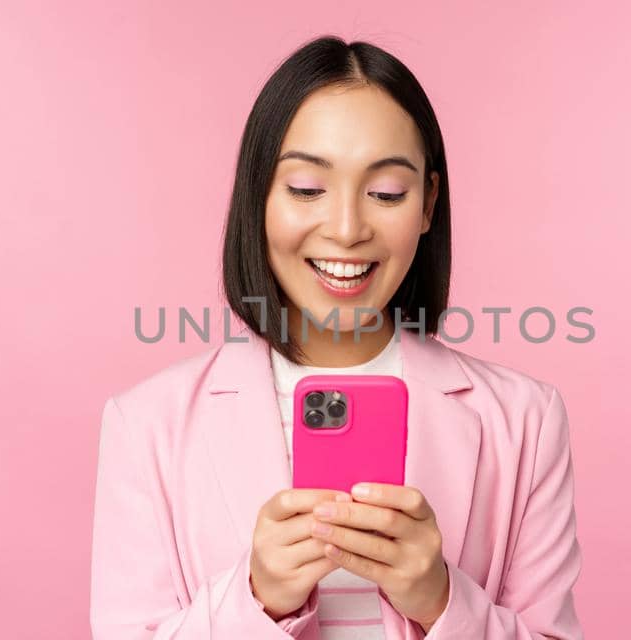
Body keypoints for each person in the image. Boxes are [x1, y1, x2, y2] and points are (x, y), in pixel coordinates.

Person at [90, 35, 584, 639]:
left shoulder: (526, 420)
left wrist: (442, 601)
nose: (347, 229)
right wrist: (255, 601)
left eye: (386, 194)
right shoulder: (147, 425)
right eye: (306, 189)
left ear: (428, 204)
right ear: (259, 197)